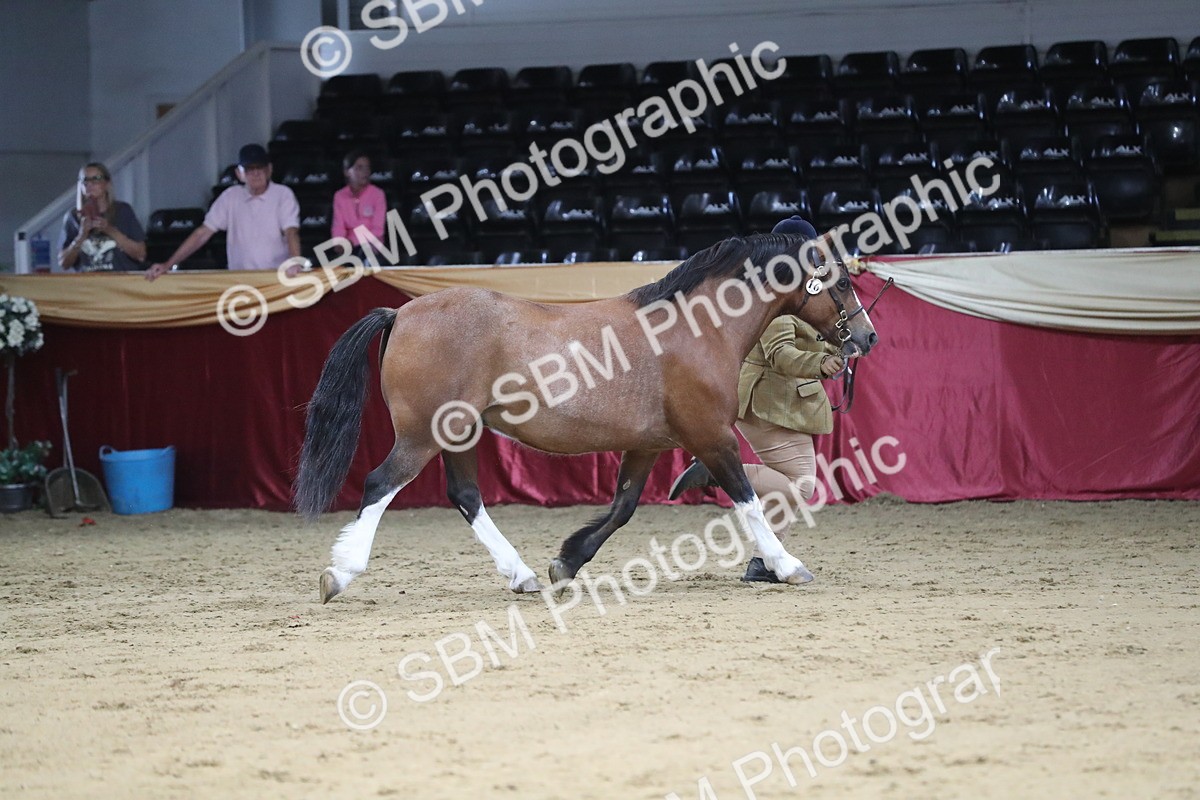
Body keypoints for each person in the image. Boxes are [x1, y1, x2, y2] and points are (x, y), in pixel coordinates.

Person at [668, 216, 845, 583]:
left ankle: (764, 562)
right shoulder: (777, 296)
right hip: (766, 400)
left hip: (780, 401)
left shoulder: (795, 291)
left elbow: (808, 338)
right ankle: (718, 471)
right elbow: (782, 354)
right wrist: (822, 364)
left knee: (792, 489)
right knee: (802, 486)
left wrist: (837, 346)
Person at [145, 144, 302, 280]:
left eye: (260, 168)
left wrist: (295, 261)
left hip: (277, 279)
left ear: (269, 170)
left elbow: (291, 232)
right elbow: (202, 234)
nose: (256, 173)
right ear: (239, 174)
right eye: (249, 169)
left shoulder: (283, 194)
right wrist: (168, 264)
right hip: (239, 280)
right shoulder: (230, 196)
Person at [59, 162, 146, 272]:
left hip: (119, 282)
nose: (90, 185)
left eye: (96, 179)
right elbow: (63, 263)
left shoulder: (123, 211)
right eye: (85, 180)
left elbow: (140, 254)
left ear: (107, 183)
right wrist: (81, 236)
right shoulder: (73, 216)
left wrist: (109, 230)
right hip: (87, 284)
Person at [331, 150, 387, 254]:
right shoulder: (339, 196)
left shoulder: (378, 194)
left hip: (372, 246)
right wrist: (340, 243)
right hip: (348, 247)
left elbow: (378, 229)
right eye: (360, 168)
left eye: (367, 168)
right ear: (347, 172)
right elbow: (338, 227)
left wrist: (353, 242)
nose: (365, 172)